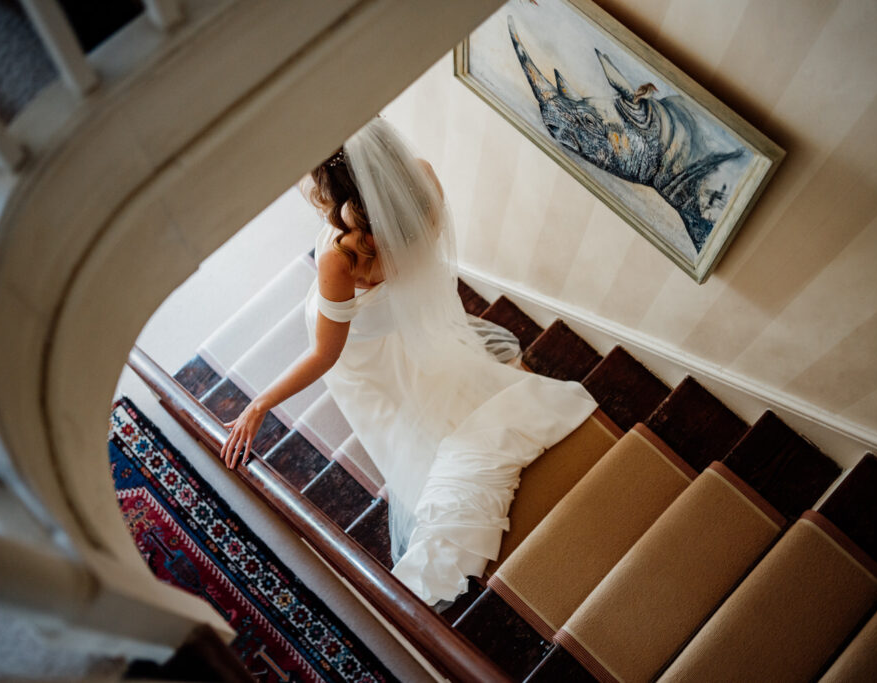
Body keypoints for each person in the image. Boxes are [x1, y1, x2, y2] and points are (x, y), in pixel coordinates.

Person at [219, 117, 596, 607]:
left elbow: (325, 354)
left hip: (363, 356)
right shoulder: (421, 180)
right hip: (403, 325)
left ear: (335, 191)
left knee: (400, 420)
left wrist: (260, 403)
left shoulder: (343, 256)